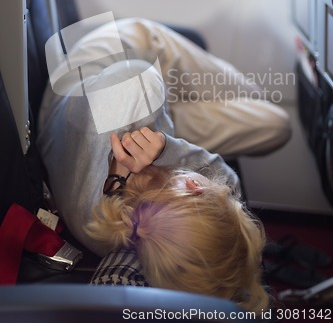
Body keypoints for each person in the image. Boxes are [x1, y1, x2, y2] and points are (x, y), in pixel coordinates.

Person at [37, 17, 289, 313]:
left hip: (96, 72)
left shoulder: (126, 99)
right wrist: (166, 147)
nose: (225, 191)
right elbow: (228, 181)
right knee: (277, 125)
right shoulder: (140, 233)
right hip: (164, 123)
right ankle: (175, 113)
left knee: (260, 105)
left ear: (194, 184)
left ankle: (176, 108)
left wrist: (145, 136)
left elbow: (136, 72)